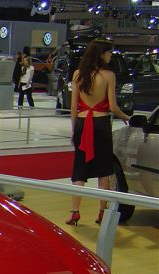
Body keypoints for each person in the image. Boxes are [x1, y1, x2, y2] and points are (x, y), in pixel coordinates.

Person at [66, 39, 130, 226]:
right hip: (101, 124)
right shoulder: (109, 75)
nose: (110, 56)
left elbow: (73, 107)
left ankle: (74, 212)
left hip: (82, 123)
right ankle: (102, 212)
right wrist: (126, 117)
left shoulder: (78, 74)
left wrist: (74, 129)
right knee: (104, 170)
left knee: (79, 170)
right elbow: (113, 106)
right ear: (102, 53)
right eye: (109, 52)